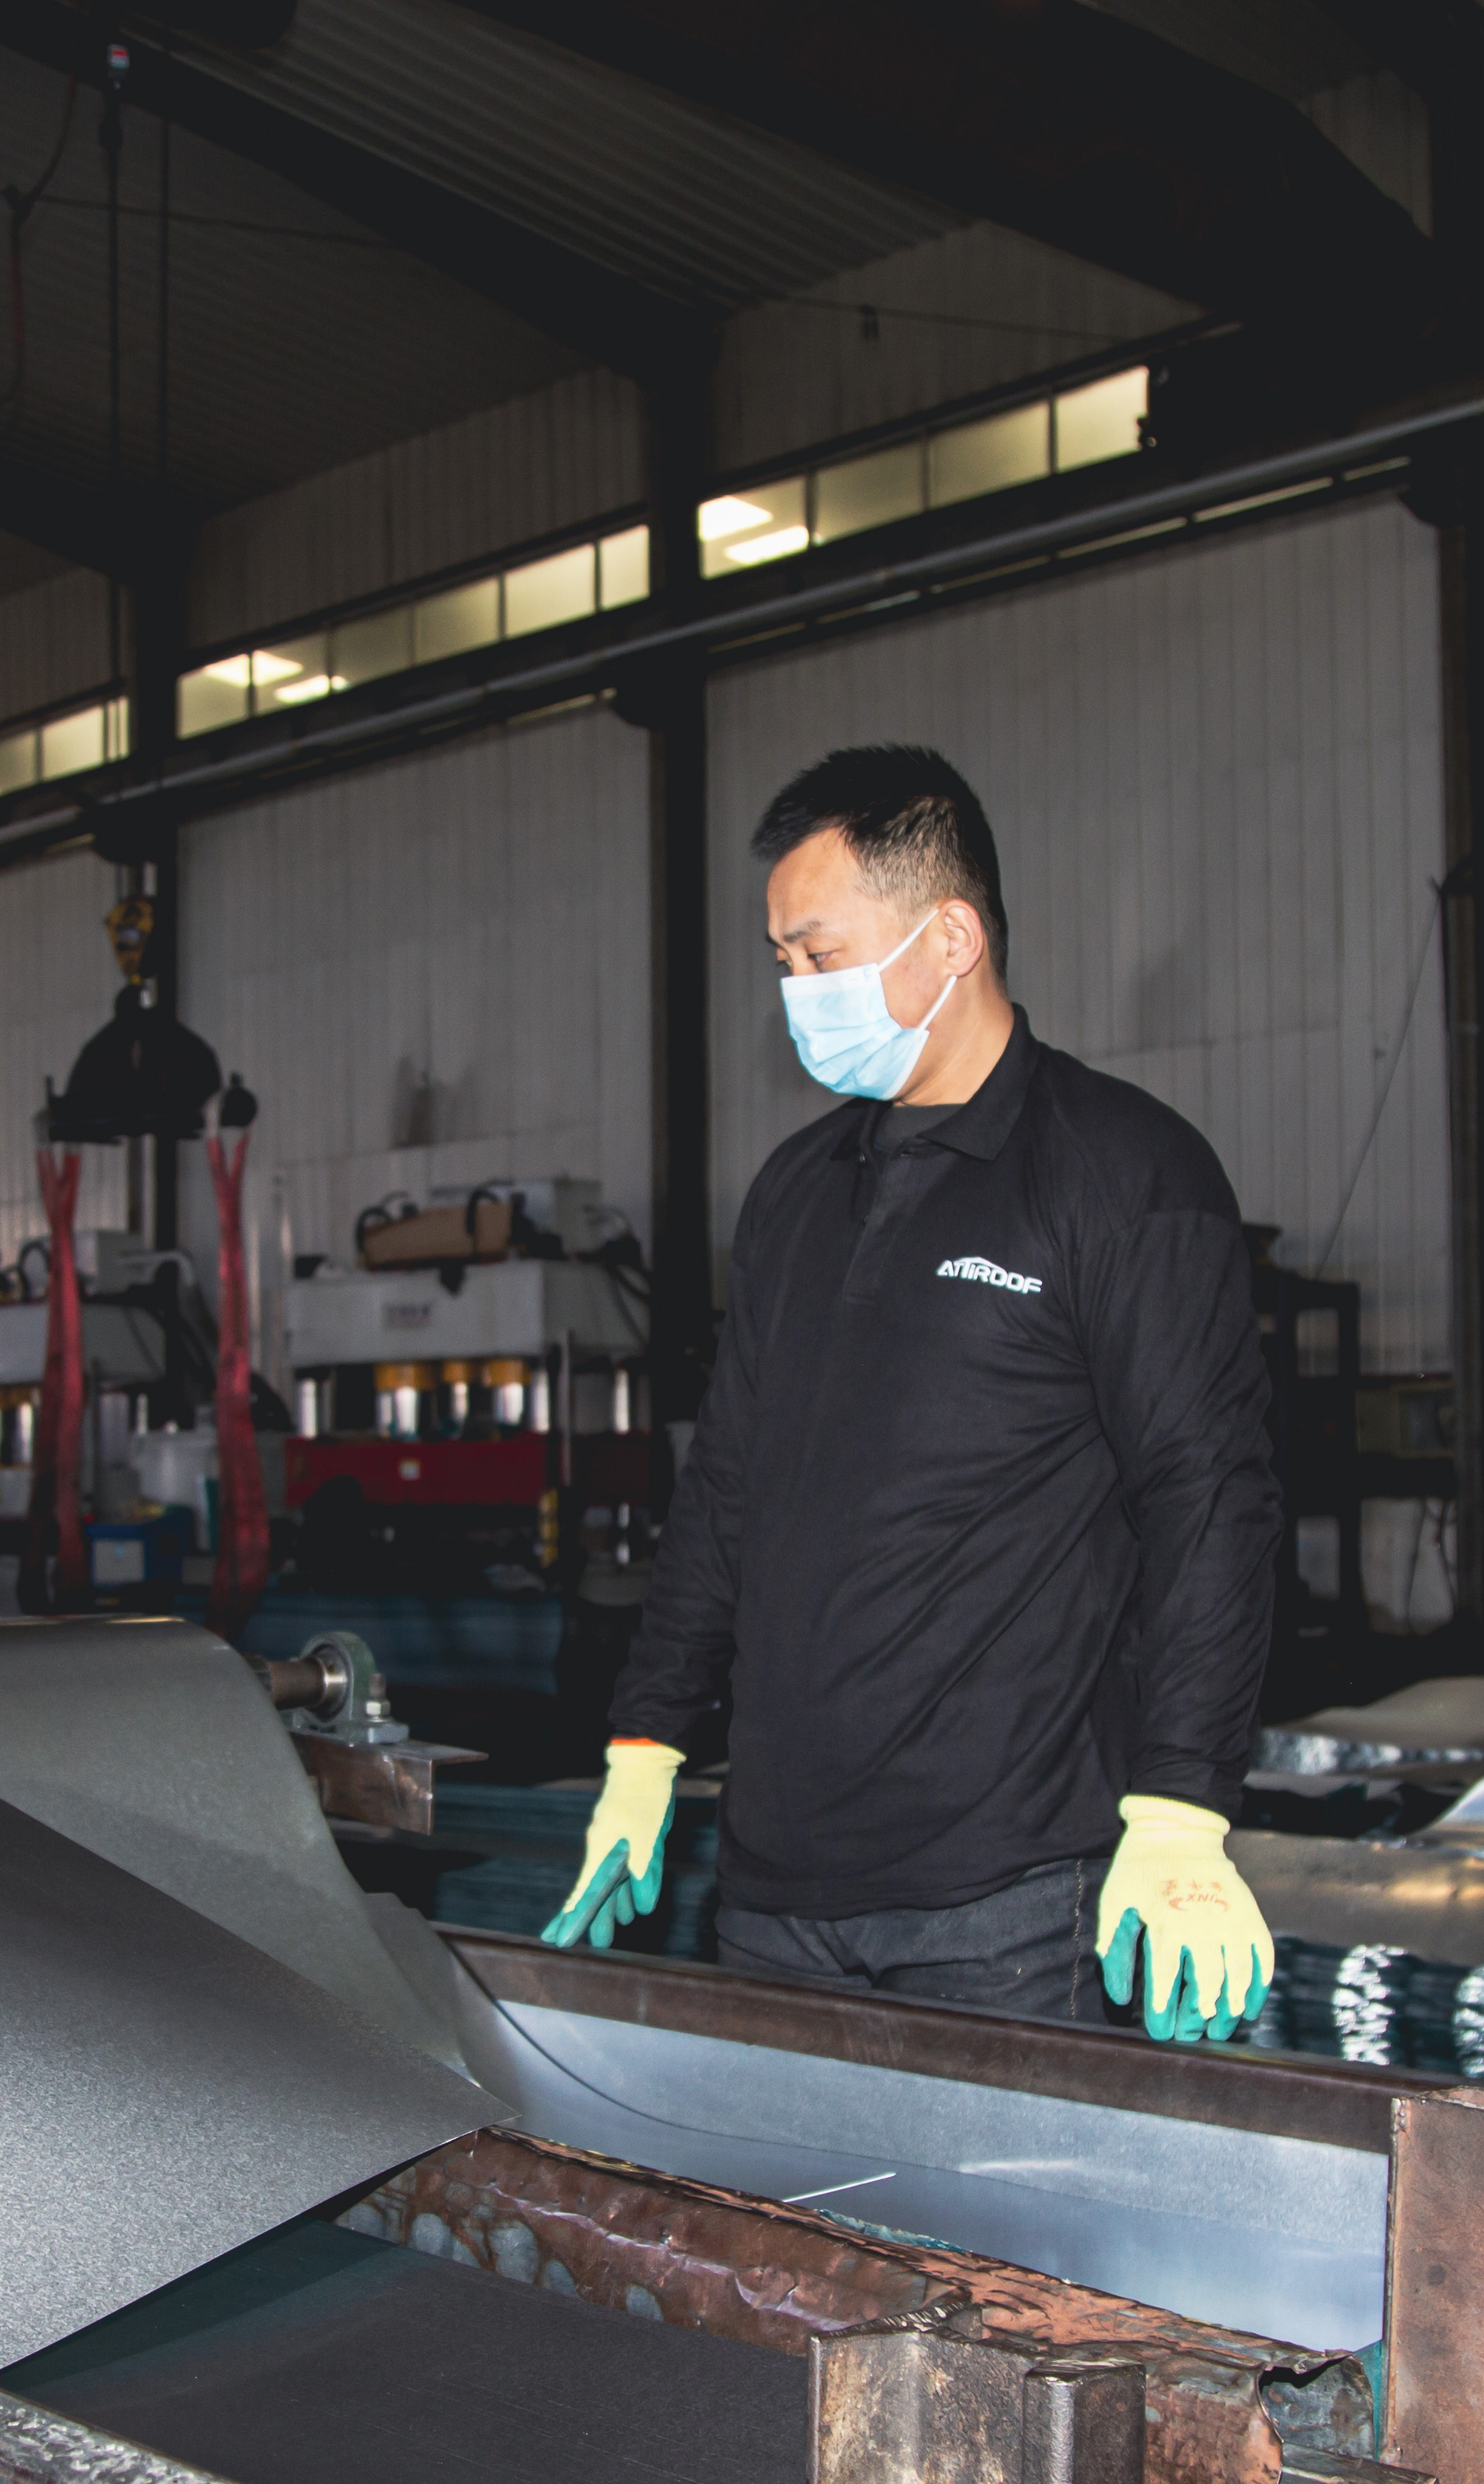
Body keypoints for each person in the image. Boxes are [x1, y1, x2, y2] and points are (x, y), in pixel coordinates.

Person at [544, 744, 1283, 2039]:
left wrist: (1181, 1804)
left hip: (1005, 1900)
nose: (797, 994)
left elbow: (1208, 1498)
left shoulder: (1120, 1177)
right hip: (772, 1887)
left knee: (997, 2249)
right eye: (782, 964)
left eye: (822, 957)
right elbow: (727, 1484)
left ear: (950, 938)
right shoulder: (794, 1192)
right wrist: (647, 1741)